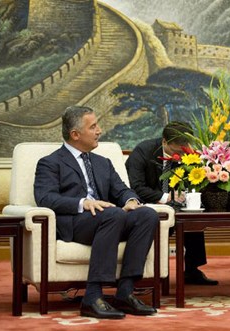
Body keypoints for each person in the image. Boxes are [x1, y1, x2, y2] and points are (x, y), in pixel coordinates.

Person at [34, 106, 159, 319]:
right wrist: (83, 203)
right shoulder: (50, 163)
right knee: (114, 214)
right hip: (76, 223)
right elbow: (45, 198)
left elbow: (122, 189)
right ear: (75, 134)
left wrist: (130, 200)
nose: (99, 130)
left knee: (147, 214)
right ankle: (92, 296)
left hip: (109, 220)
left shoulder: (103, 162)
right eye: (93, 127)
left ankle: (125, 292)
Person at [126, 121, 218, 285]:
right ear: (164, 142)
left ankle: (192, 270)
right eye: (177, 151)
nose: (182, 156)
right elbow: (136, 186)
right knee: (159, 221)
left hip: (180, 204)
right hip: (149, 204)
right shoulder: (143, 152)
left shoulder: (189, 154)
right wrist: (166, 197)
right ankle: (149, 273)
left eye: (184, 151)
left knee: (194, 220)